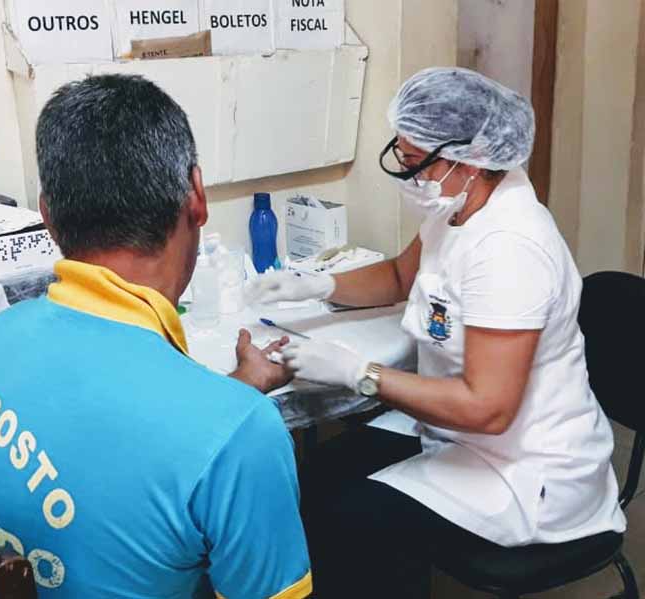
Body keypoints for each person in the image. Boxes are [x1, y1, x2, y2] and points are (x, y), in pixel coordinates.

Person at [246, 67, 626, 597]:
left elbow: (487, 408)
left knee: (344, 519)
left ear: (466, 159)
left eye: (413, 162)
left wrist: (360, 373)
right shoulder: (460, 207)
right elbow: (402, 276)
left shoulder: (510, 249)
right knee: (315, 477)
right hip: (459, 433)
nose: (407, 176)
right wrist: (315, 283)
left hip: (527, 472)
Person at [0, 74, 312, 599]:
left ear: (47, 214)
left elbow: (115, 456)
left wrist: (236, 391)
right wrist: (235, 413)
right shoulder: (242, 436)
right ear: (197, 197)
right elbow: (173, 447)